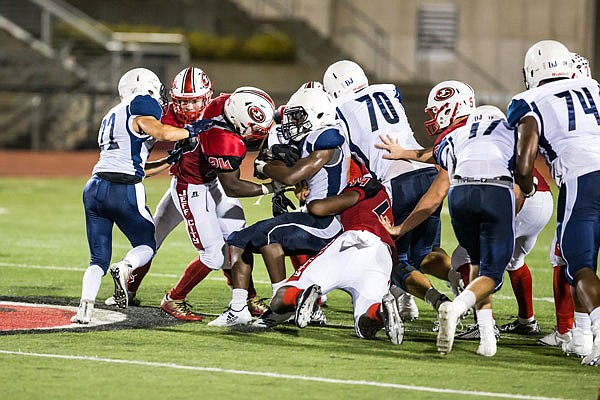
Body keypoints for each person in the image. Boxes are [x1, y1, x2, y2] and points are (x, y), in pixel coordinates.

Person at [104, 68, 268, 320]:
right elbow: (140, 146)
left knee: (236, 239)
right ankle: (171, 298)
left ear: (207, 96)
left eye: (194, 100)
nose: (189, 107)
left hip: (213, 184)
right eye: (182, 101)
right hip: (189, 187)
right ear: (172, 98)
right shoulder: (164, 115)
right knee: (199, 251)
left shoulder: (223, 106)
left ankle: (248, 296)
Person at [71, 67, 210, 324]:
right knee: (147, 244)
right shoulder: (142, 103)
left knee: (97, 258)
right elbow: (162, 133)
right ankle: (125, 267)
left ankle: (85, 308)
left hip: (94, 187)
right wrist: (194, 130)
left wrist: (169, 160)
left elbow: (134, 165)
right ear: (149, 88)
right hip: (123, 191)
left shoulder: (111, 114)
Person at [323, 60, 453, 321]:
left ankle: (438, 302)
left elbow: (344, 158)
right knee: (426, 253)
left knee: (393, 258)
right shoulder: (389, 91)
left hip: (397, 183)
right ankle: (465, 280)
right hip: (426, 172)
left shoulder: (337, 110)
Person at [208, 87, 349, 327]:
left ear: (317, 115)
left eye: (299, 116)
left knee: (265, 236)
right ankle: (240, 307)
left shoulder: (326, 140)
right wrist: (270, 163)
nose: (293, 122)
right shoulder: (307, 137)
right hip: (310, 217)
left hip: (325, 222)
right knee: (240, 239)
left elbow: (291, 176)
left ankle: (283, 305)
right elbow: (275, 160)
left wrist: (266, 166)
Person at [507, 39, 600, 366]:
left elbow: (525, 155)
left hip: (584, 178)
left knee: (579, 263)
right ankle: (581, 335)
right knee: (571, 258)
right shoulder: (593, 87)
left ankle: (595, 333)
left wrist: (525, 184)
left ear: (533, 71)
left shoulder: (527, 100)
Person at [270, 175, 404, 344]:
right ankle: (381, 312)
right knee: (365, 326)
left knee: (281, 298)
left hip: (351, 242)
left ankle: (299, 296)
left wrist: (307, 201)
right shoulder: (389, 199)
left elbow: (320, 210)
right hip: (381, 253)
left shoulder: (361, 184)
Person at [451, 167, 553, 339]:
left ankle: (484, 324)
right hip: (543, 199)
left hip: (521, 199)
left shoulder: (478, 149)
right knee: (516, 261)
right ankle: (527, 321)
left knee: (463, 256)